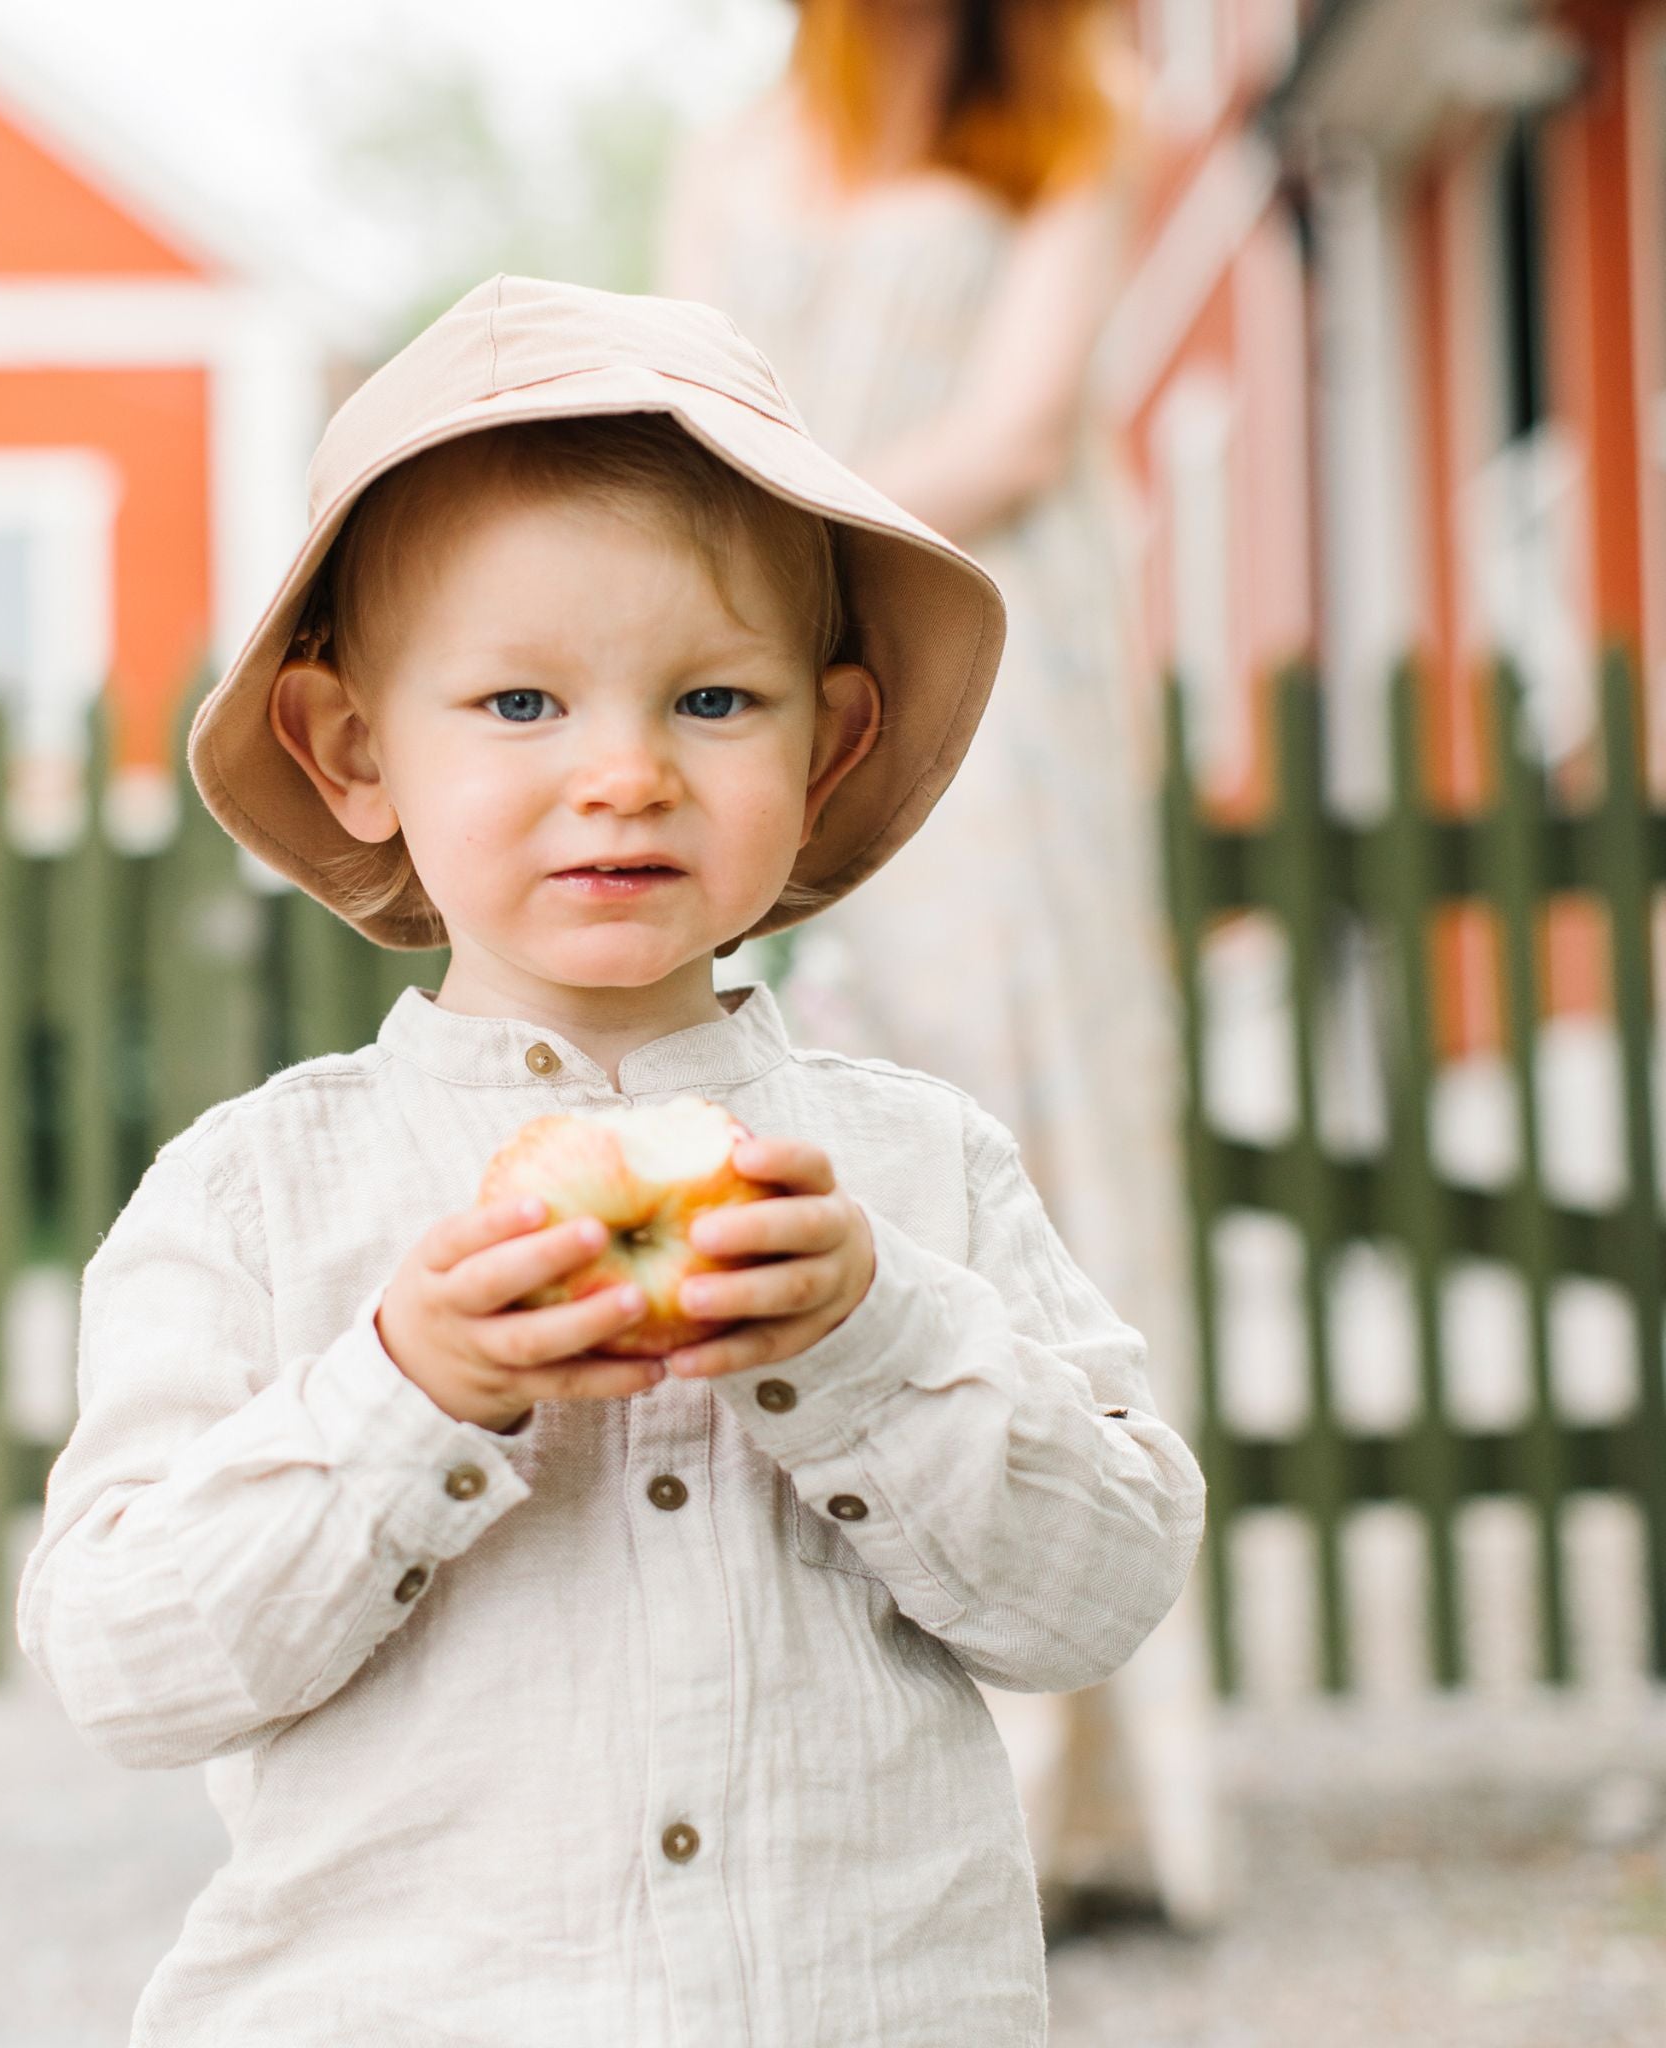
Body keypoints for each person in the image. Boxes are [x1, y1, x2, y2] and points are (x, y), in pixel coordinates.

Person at [15, 274, 1204, 2043]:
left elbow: (1099, 1590)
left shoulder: (912, 1171)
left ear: (833, 745)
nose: (627, 773)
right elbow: (127, 1660)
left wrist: (869, 1339)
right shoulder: (257, 1199)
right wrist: (405, 1392)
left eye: (716, 701)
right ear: (353, 752)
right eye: (518, 705)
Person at [657, 0, 1226, 1931]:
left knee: (1020, 1140)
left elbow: (1013, 421)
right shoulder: (734, 148)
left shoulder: (1084, 107)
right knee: (793, 1123)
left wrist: (777, 576)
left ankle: (1082, 1792)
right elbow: (679, 409)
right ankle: (828, 1762)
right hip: (768, 666)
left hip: (985, 661)